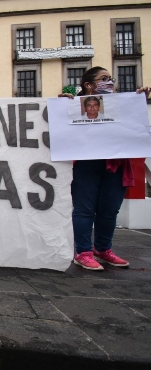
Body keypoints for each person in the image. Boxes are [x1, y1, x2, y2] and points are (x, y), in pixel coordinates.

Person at [58, 66, 151, 270]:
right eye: (103, 79)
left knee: (109, 210)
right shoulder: (73, 106)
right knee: (84, 210)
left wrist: (138, 101)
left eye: (110, 78)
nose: (109, 82)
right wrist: (62, 105)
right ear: (88, 86)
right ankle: (83, 252)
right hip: (86, 165)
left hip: (116, 164)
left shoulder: (122, 105)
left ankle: (103, 249)